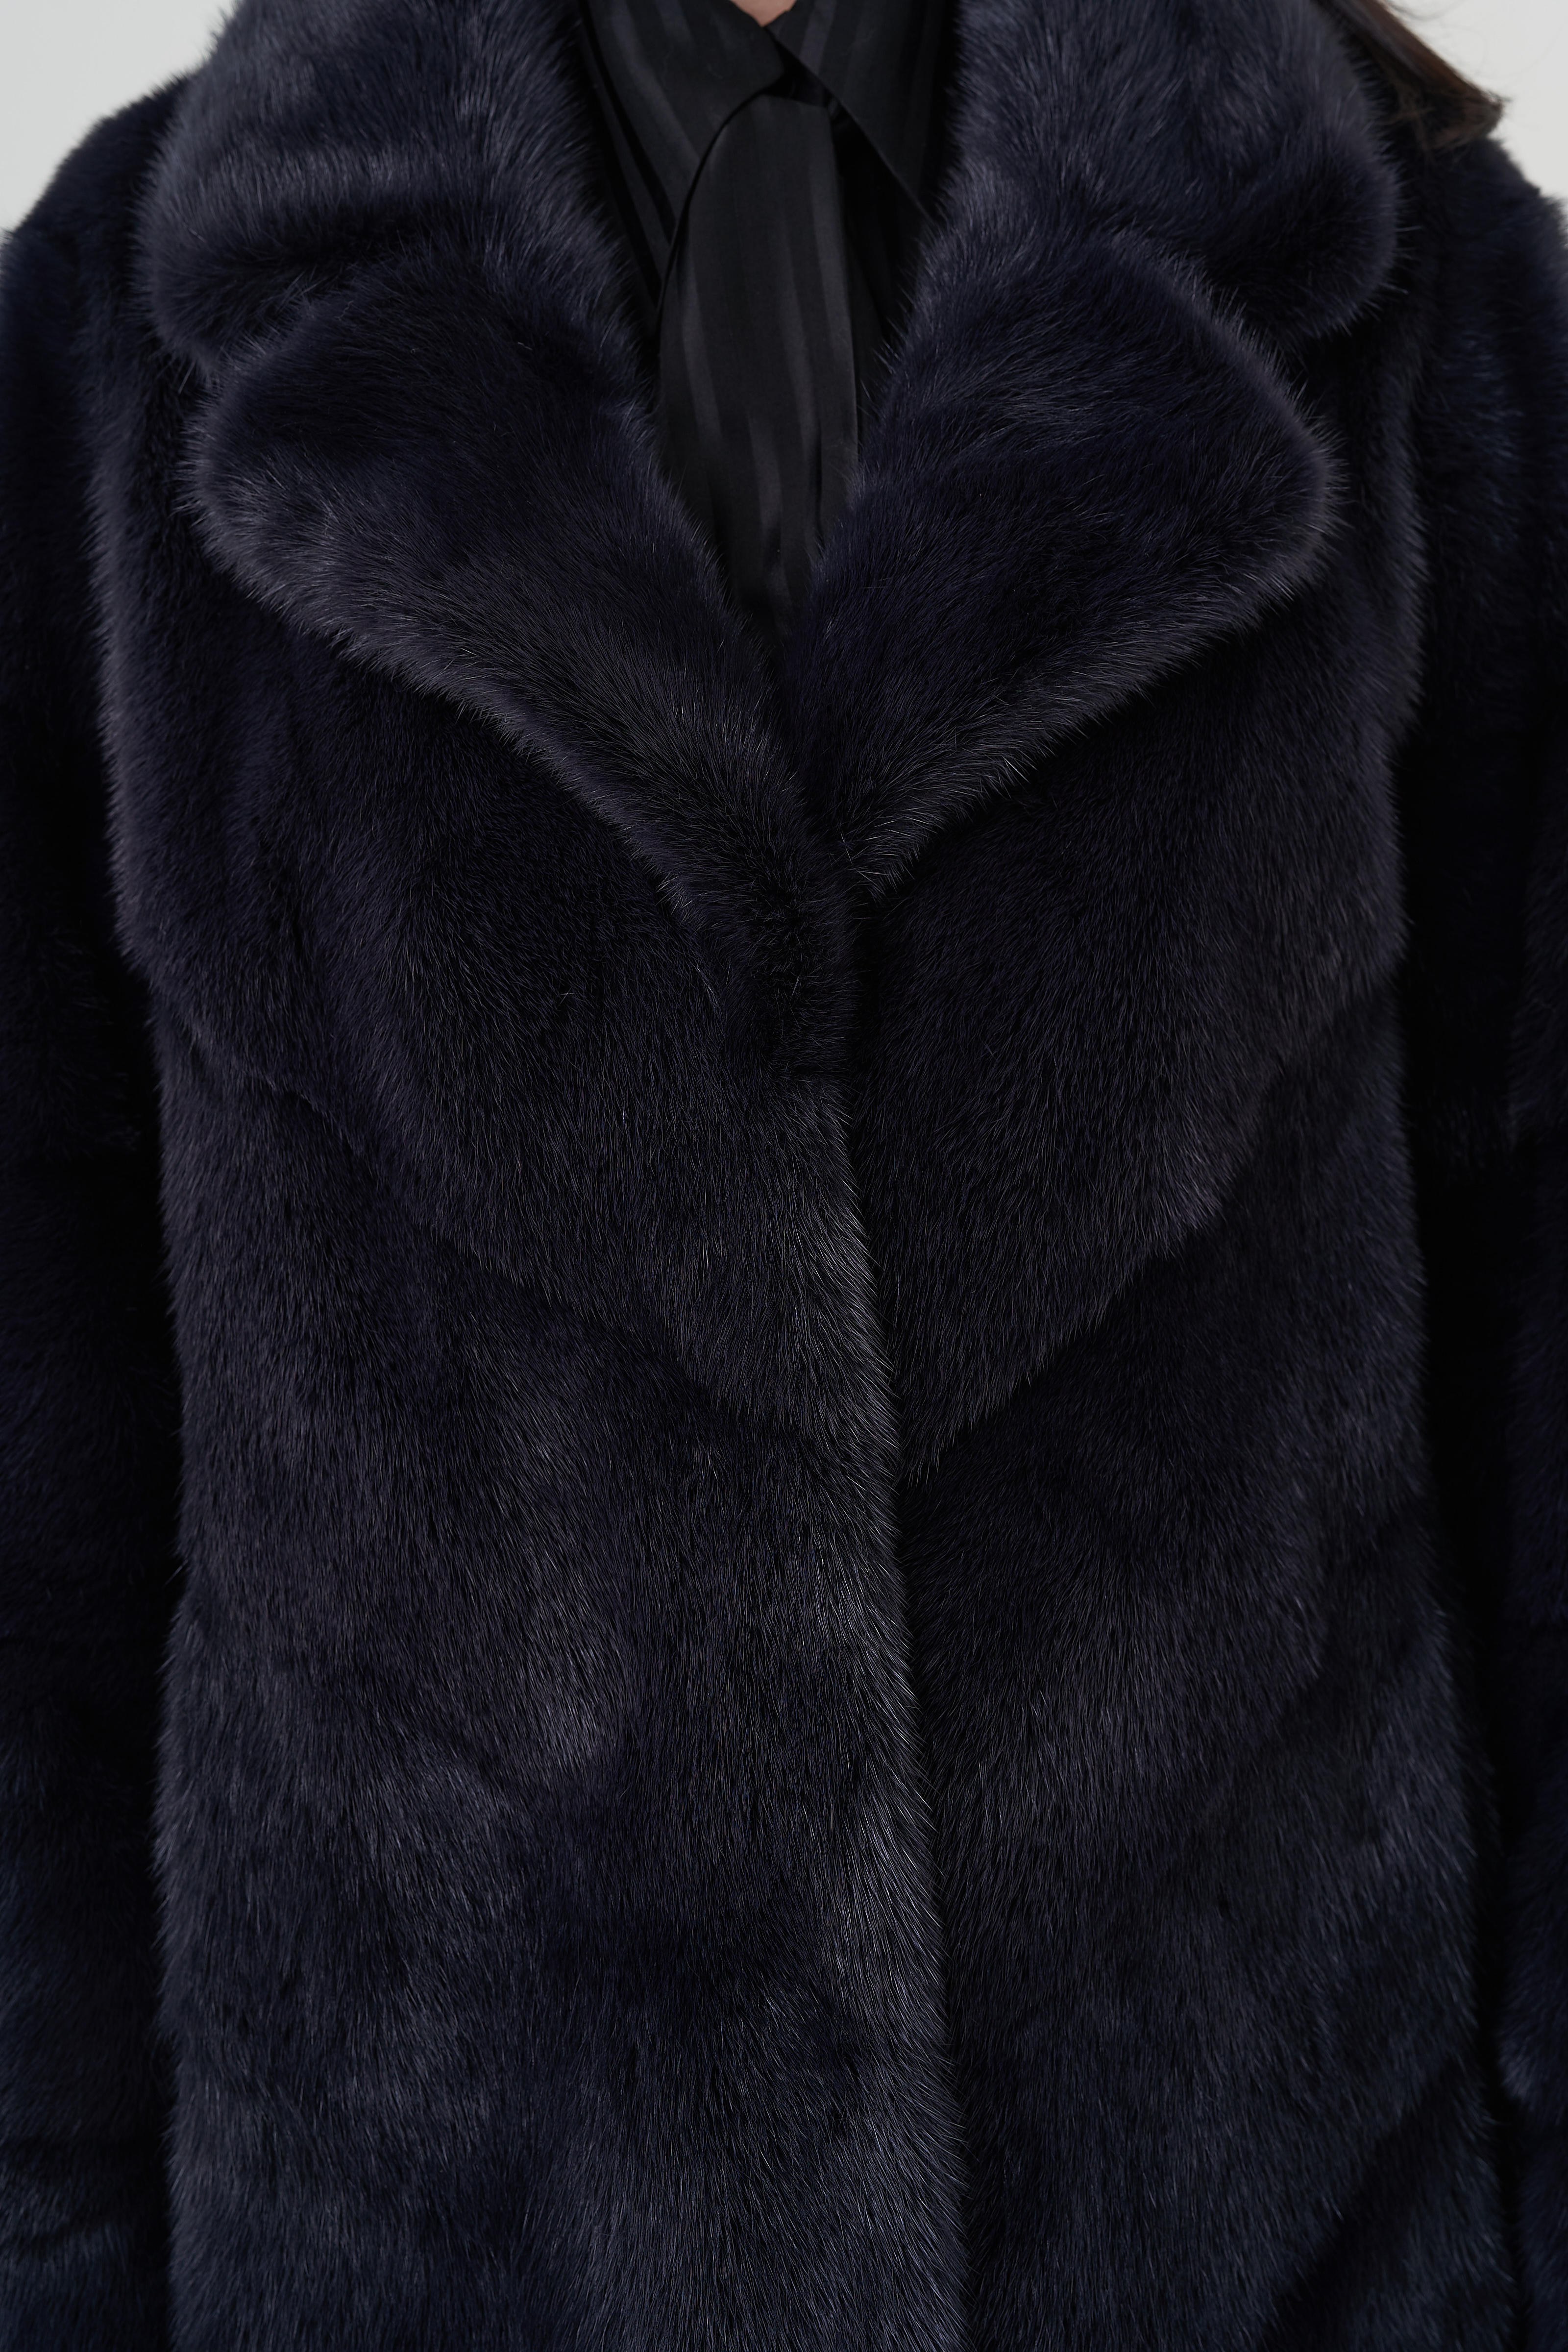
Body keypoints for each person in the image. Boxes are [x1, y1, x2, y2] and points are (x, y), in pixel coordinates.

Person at [0, 0, 1563, 2341]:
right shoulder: (125, 321)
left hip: (1252, 2235)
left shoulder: (1404, 286)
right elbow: (34, 1434)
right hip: (448, 2251)